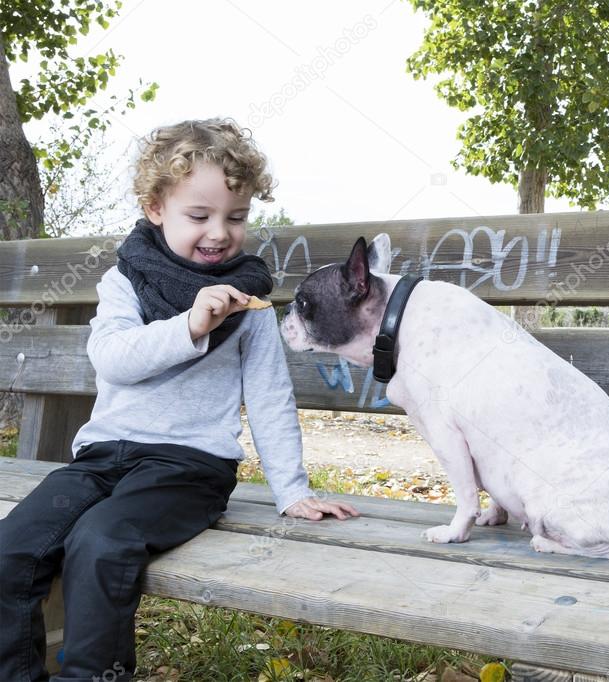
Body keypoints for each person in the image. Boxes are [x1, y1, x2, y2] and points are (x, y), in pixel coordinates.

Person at [0, 118, 358, 682]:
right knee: (12, 550)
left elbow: (269, 397)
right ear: (155, 208)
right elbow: (115, 358)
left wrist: (291, 491)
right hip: (101, 460)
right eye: (200, 216)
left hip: (188, 467)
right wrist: (190, 325)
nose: (219, 232)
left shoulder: (249, 304)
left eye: (236, 218)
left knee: (100, 542)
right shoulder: (125, 283)